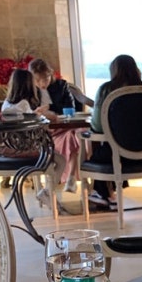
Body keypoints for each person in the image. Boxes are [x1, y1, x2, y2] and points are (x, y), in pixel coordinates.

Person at [86, 54, 142, 210]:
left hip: (116, 155)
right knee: (109, 151)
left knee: (99, 153)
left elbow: (98, 126)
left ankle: (102, 193)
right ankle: (106, 194)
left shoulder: (107, 89)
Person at [28, 58, 80, 191]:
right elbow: (28, 111)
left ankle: (69, 179)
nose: (42, 83)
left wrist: (50, 107)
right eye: (37, 80)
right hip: (43, 131)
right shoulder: (29, 90)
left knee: (72, 135)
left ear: (51, 75)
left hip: (62, 127)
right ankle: (70, 179)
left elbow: (70, 108)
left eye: (45, 79)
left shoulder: (61, 85)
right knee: (72, 137)